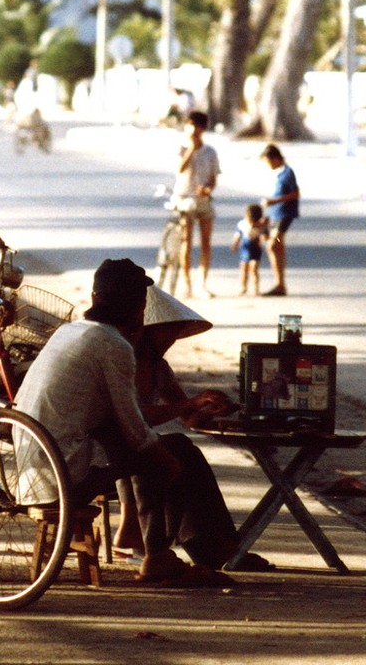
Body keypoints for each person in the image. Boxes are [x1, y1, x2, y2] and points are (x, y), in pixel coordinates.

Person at [16, 259, 236, 584]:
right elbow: (135, 429)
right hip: (60, 472)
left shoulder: (73, 330)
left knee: (168, 449)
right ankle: (158, 556)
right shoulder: (113, 345)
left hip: (34, 466)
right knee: (163, 455)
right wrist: (164, 460)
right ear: (139, 310)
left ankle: (182, 550)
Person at [110, 286, 272, 573]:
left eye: (176, 332)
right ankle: (205, 546)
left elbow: (188, 417)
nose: (172, 339)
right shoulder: (124, 360)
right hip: (113, 443)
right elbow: (134, 416)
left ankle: (215, 545)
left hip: (139, 439)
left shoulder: (159, 368)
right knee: (175, 449)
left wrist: (214, 411)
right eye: (167, 331)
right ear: (148, 329)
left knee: (186, 450)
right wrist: (191, 403)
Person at [173, 110, 220, 298]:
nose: (192, 129)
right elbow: (179, 169)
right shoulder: (182, 147)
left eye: (196, 125)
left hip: (203, 201)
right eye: (189, 124)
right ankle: (187, 284)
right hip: (185, 199)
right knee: (186, 241)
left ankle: (203, 282)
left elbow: (213, 178)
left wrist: (208, 189)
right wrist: (191, 149)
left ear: (203, 128)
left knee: (206, 243)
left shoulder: (210, 152)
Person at [260, 144, 300, 297]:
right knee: (276, 247)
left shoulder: (288, 173)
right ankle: (280, 284)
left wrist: (274, 202)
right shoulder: (280, 173)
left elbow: (295, 194)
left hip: (285, 214)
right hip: (276, 215)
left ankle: (280, 284)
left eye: (268, 161)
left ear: (275, 158)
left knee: (273, 245)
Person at [230, 204, 269, 296]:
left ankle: (256, 288)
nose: (252, 223)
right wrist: (235, 244)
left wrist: (263, 233)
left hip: (255, 249)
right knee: (244, 269)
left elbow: (266, 237)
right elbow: (238, 235)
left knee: (254, 268)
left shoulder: (261, 226)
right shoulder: (242, 224)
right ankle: (243, 287)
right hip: (245, 249)